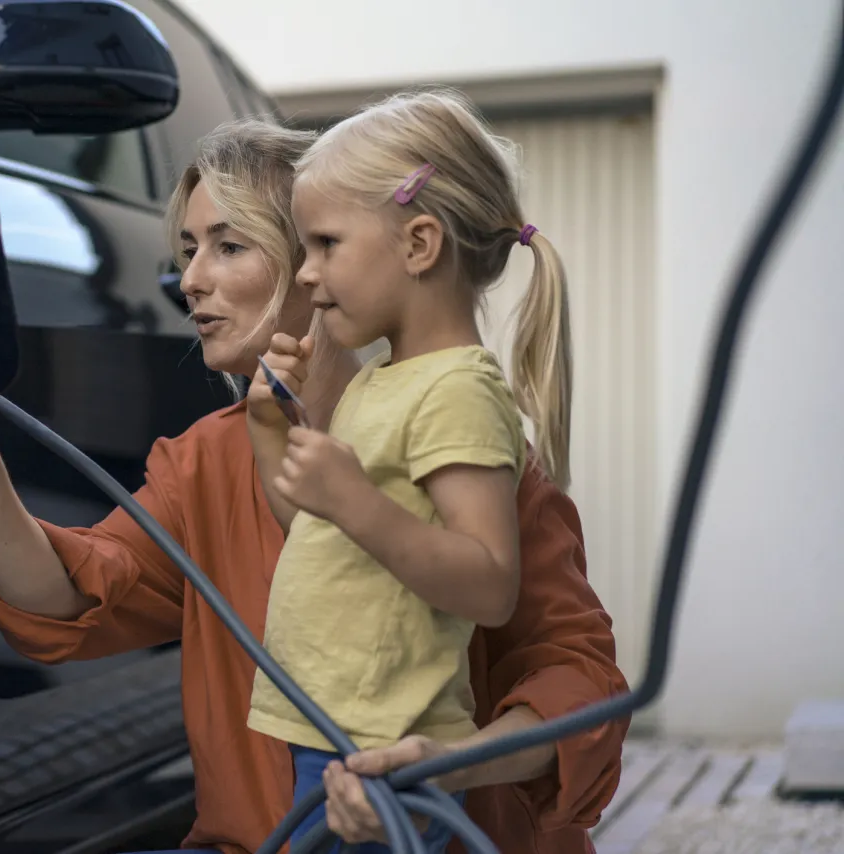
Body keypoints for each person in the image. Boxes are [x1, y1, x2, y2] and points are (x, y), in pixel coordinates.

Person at [0, 114, 628, 854]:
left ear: (323, 261)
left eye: (229, 246)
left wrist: (452, 767)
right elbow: (66, 597)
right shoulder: (203, 461)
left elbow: (579, 680)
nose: (191, 280)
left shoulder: (463, 441)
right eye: (188, 251)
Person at [244, 87, 571, 854]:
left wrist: (357, 501)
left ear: (420, 244)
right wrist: (269, 426)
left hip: (384, 744)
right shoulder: (380, 380)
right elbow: (313, 532)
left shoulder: (458, 389)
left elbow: (490, 583)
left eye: (325, 244)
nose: (305, 275)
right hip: (332, 727)